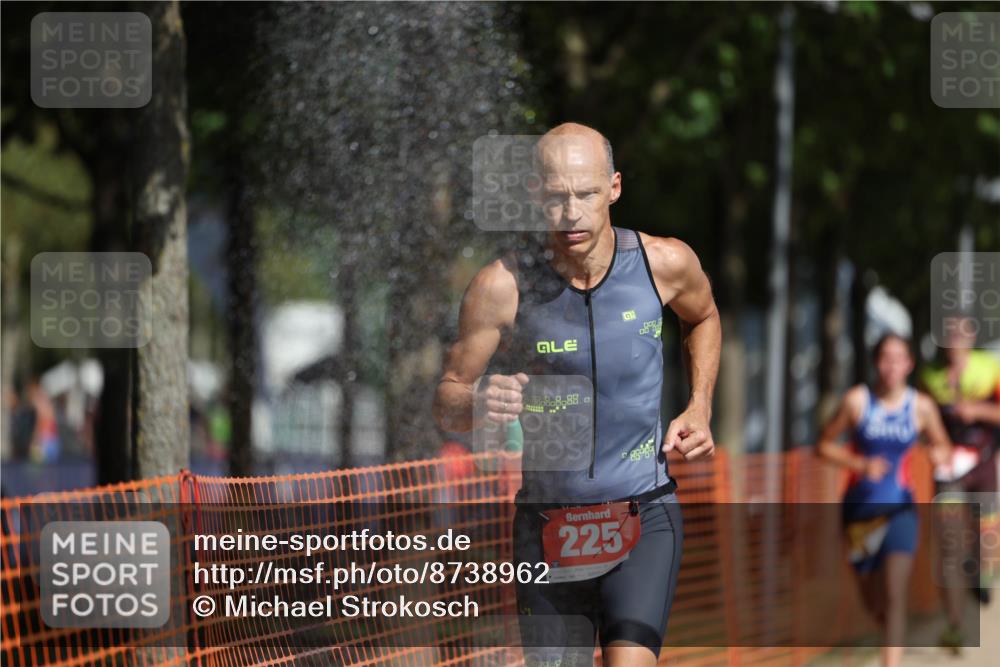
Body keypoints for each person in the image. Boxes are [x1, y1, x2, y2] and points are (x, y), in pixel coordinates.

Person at [433, 123, 720, 666]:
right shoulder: (502, 286)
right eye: (557, 196)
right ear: (533, 194)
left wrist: (700, 403)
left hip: (643, 513)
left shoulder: (665, 263)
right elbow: (446, 398)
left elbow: (703, 317)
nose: (572, 213)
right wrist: (475, 404)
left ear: (613, 188)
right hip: (548, 528)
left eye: (586, 194)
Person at [817, 333, 951, 667]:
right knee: (873, 600)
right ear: (877, 363)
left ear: (909, 364)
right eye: (885, 358)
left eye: (899, 358)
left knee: (894, 595)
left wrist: (938, 454)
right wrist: (860, 464)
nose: (892, 366)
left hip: (902, 509)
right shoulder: (857, 401)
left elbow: (943, 446)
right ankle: (886, 632)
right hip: (860, 512)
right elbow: (824, 445)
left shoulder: (921, 406)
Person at [920, 320, 1000, 648]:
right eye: (948, 333)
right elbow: (922, 420)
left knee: (988, 536)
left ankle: (983, 577)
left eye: (961, 333)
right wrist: (932, 445)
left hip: (983, 464)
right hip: (949, 470)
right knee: (950, 544)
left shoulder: (990, 368)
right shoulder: (930, 376)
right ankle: (955, 623)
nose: (954, 339)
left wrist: (977, 410)